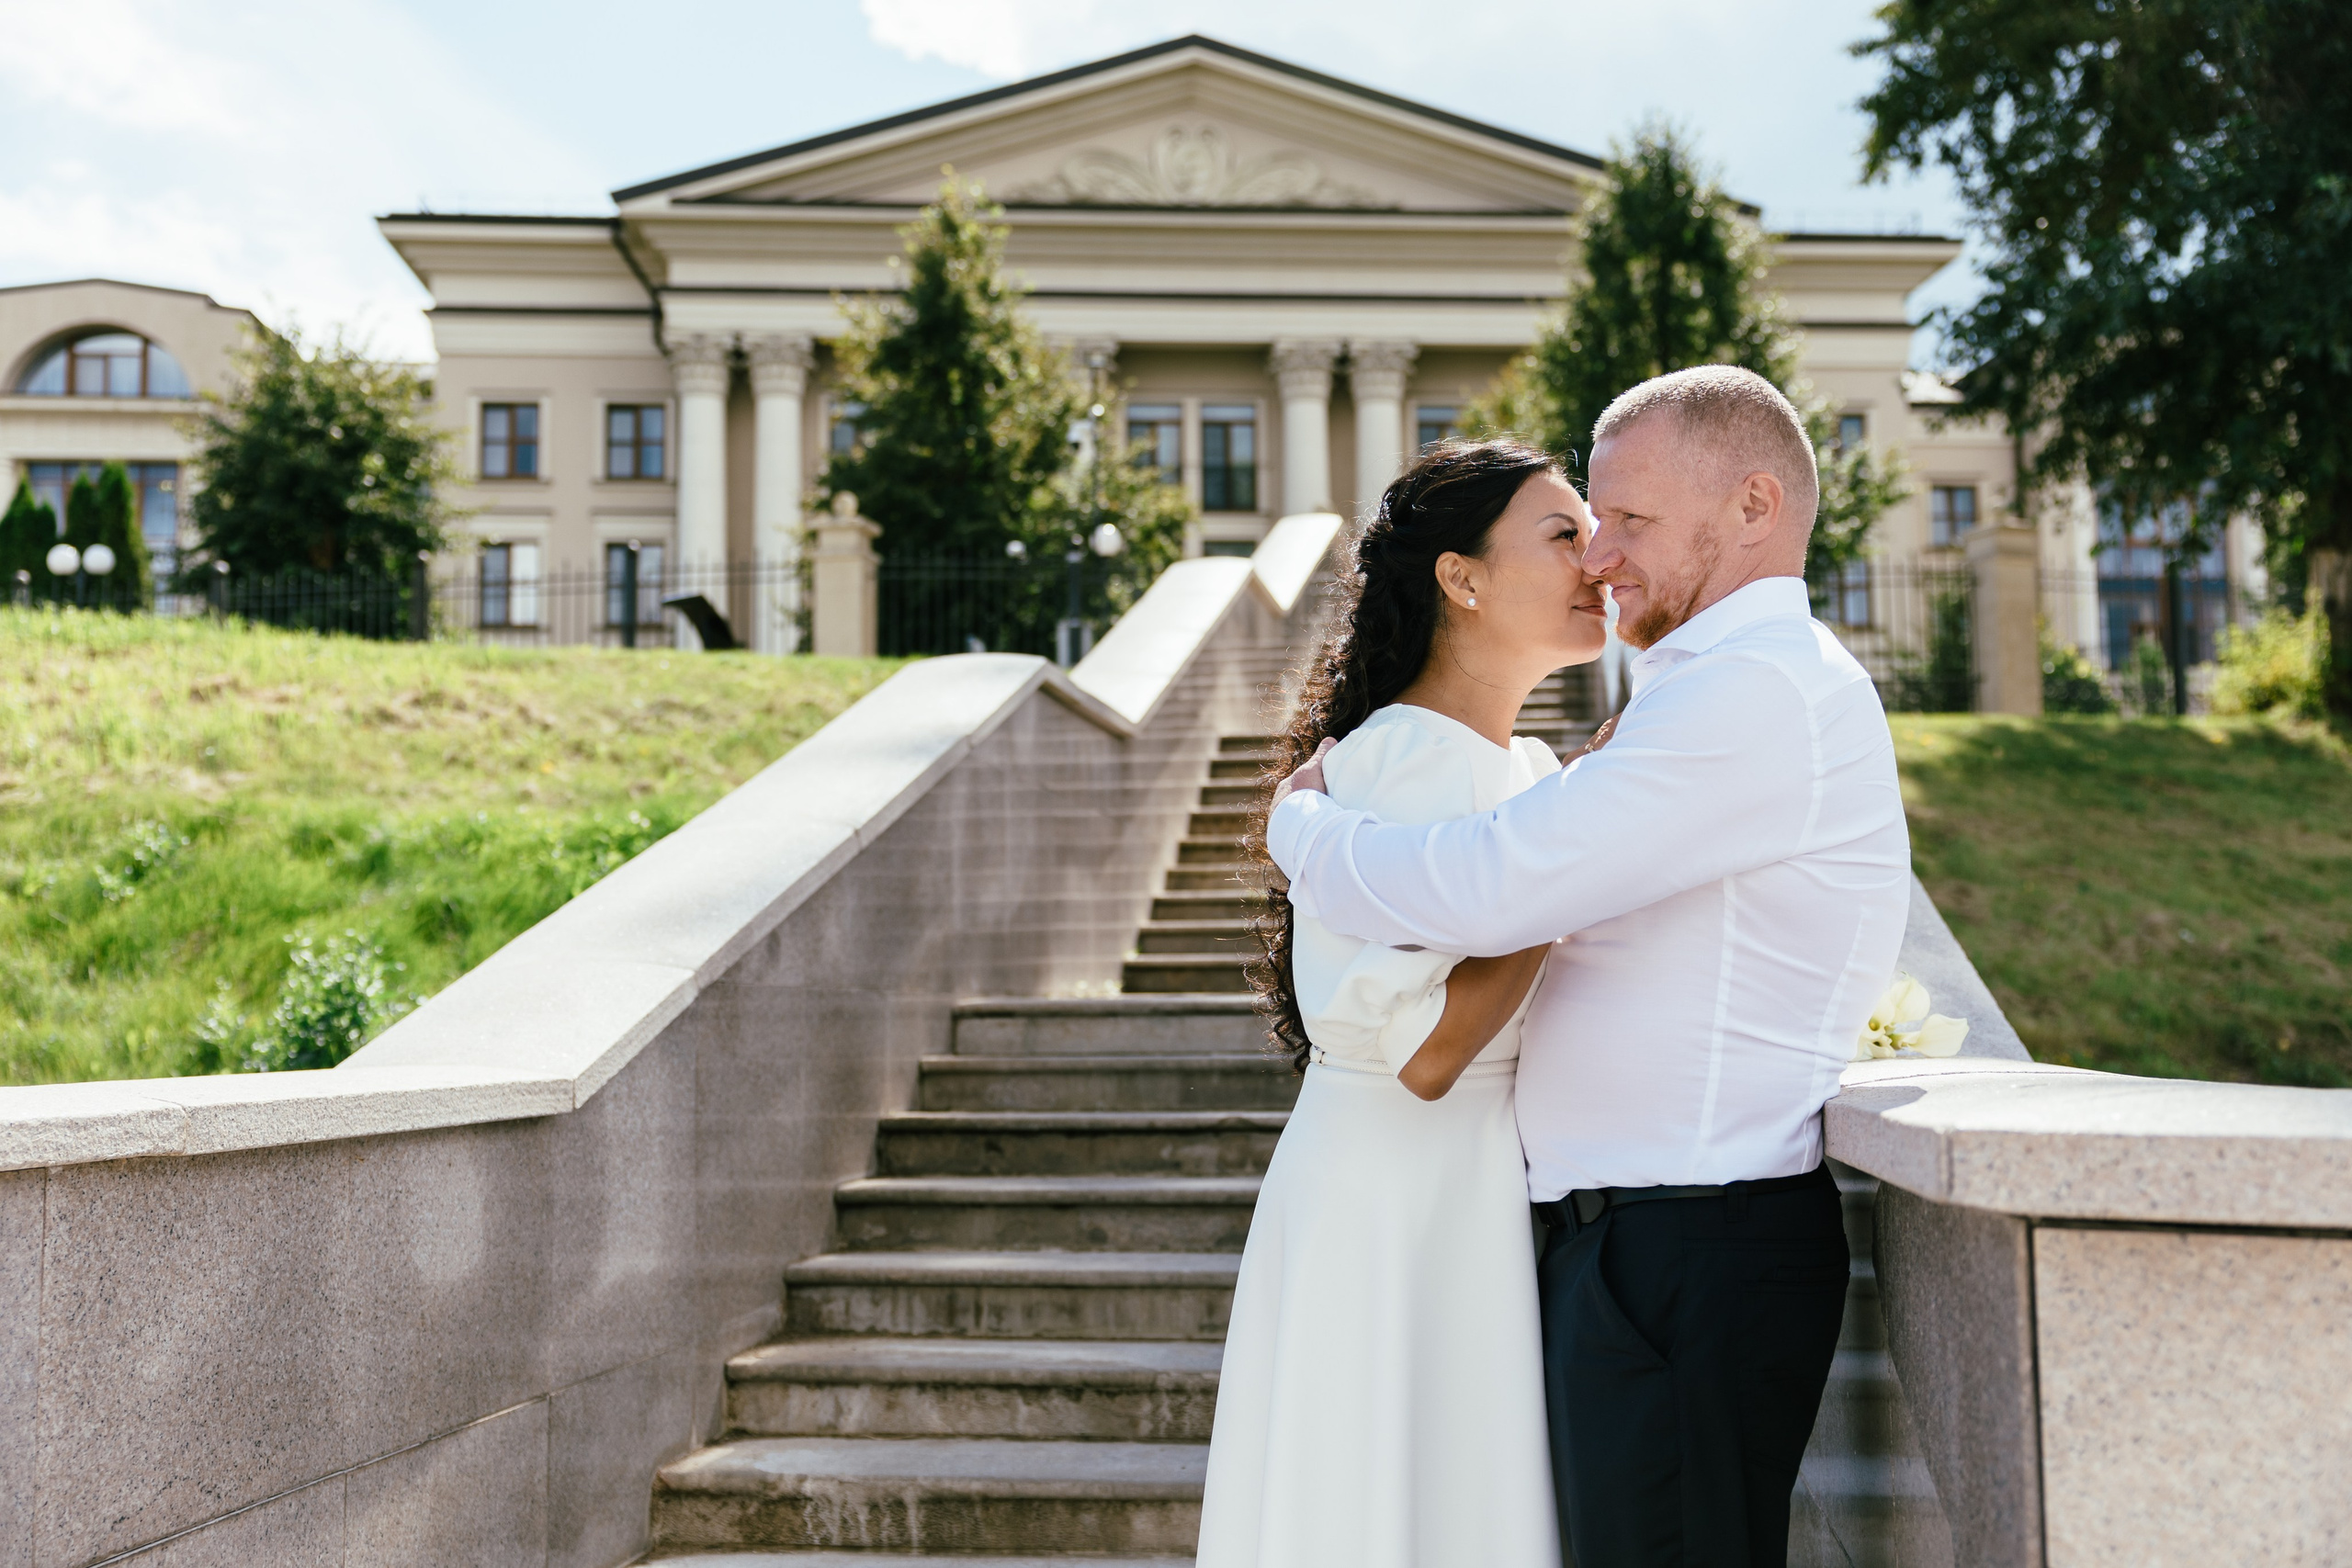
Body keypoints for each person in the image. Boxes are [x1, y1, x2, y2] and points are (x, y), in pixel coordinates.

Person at [1265, 366, 1911, 1568]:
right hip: (1631, 1246)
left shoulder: (1753, 691)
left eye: (1631, 520)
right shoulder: (1697, 693)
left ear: (1755, 504)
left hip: (1683, 1246)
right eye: (1585, 521)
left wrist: (1302, 833)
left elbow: (1503, 885)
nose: (1602, 555)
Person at [1196, 439, 1610, 1568]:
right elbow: (1427, 1054)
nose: (1599, 559)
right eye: (1563, 533)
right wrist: (1571, 862)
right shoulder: (1416, 761)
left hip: (1439, 1187)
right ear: (1460, 578)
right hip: (1398, 1194)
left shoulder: (1515, 767)